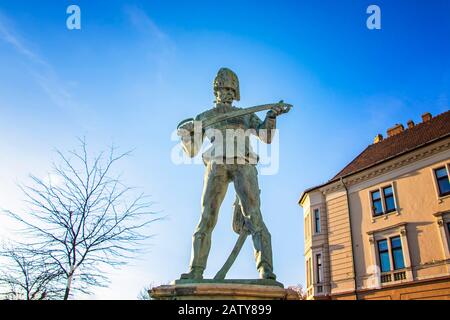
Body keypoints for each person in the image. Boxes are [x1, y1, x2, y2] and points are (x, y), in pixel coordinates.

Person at [177, 68, 285, 280]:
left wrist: (271, 116)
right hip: (216, 165)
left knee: (254, 215)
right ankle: (195, 270)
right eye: (222, 89)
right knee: (207, 217)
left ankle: (266, 270)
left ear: (235, 93)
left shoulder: (245, 115)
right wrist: (186, 134)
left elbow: (266, 136)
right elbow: (191, 151)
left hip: (243, 164)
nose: (225, 93)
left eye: (229, 89)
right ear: (215, 91)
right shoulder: (205, 117)